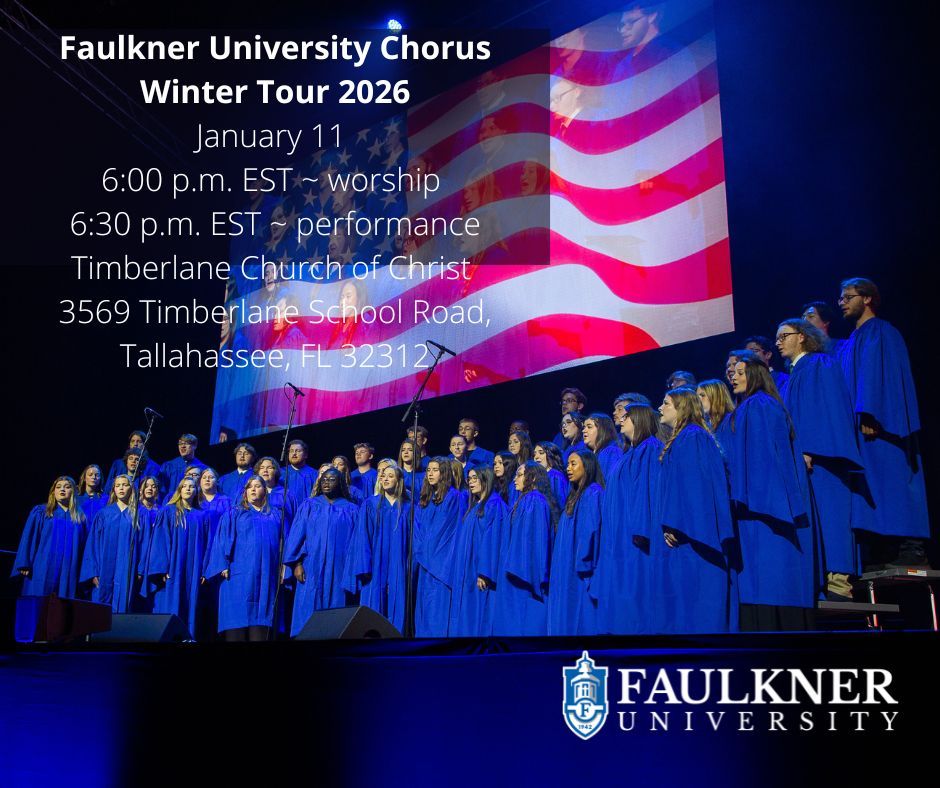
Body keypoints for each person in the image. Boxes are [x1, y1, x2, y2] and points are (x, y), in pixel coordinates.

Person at [838, 278, 930, 567]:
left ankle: (911, 547)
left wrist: (869, 412)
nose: (842, 302)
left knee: (894, 479)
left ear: (867, 298)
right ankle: (884, 548)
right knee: (871, 486)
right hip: (859, 429)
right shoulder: (851, 341)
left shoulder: (881, 332)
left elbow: (882, 375)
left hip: (882, 426)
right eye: (841, 298)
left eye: (848, 297)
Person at [776, 319, 863, 599]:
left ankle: (839, 581)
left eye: (784, 336)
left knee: (831, 516)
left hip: (824, 461)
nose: (778, 342)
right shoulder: (794, 373)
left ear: (802, 336)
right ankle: (818, 581)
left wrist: (809, 448)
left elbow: (825, 410)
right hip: (803, 460)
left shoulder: (819, 364)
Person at [730, 353, 816, 630]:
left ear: (755, 374)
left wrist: (746, 497)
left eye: (741, 372)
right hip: (758, 507)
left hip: (764, 507)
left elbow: (764, 461)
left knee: (769, 578)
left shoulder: (759, 405)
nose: (733, 377)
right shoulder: (756, 405)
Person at [653, 388, 738, 633]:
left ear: (682, 408)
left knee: (701, 607)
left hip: (696, 537)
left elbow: (696, 488)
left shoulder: (693, 437)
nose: (660, 408)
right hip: (684, 535)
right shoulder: (683, 438)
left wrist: (676, 524)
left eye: (666, 403)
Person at [594, 404, 663, 634]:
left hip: (634, 535)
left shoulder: (650, 448)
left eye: (627, 417)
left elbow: (647, 490)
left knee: (635, 590)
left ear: (640, 420)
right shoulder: (629, 453)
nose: (621, 420)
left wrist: (641, 530)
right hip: (619, 533)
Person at [206, 476, 284, 641]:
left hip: (266, 577)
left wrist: (284, 568)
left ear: (265, 491)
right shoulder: (234, 513)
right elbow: (222, 539)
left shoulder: (276, 515)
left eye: (258, 486)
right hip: (238, 577)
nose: (253, 489)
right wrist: (223, 564)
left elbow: (284, 543)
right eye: (250, 487)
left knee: (261, 628)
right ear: (245, 492)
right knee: (237, 626)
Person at [285, 467, 359, 636]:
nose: (326, 482)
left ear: (340, 483)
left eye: (332, 480)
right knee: (308, 605)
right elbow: (297, 536)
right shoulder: (309, 505)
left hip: (340, 568)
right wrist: (297, 564)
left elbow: (356, 544)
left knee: (337, 607)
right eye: (324, 479)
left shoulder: (352, 510)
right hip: (311, 566)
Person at [343, 464, 413, 633]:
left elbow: (414, 542)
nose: (385, 479)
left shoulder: (409, 507)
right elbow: (362, 538)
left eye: (390, 476)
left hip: (399, 565)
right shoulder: (370, 504)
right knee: (373, 602)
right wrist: (364, 566)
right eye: (383, 476)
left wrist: (409, 568)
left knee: (398, 602)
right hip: (374, 566)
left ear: (399, 481)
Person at [492, 462, 556, 636]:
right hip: (515, 570)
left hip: (521, 575)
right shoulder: (526, 499)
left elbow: (532, 541)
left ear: (532, 478)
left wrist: (527, 573)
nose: (515, 479)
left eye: (519, 475)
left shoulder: (534, 500)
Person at [145, 477, 211, 640]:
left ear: (196, 491)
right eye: (184, 486)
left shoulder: (201, 516)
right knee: (170, 605)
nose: (188, 489)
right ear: (179, 490)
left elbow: (208, 545)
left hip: (193, 571)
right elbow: (160, 541)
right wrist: (162, 568)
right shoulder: (168, 512)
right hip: (172, 570)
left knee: (190, 605)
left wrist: (205, 570)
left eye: (192, 487)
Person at [449, 467, 509, 636]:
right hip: (468, 569)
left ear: (486, 479)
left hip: (479, 572)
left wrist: (484, 572)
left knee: (479, 614)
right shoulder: (476, 506)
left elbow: (493, 539)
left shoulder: (494, 505)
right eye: (469, 479)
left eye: (475, 478)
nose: (471, 482)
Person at [548, 450, 602, 635]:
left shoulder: (593, 493)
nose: (568, 468)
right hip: (566, 568)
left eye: (573, 464)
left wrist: (583, 564)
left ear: (587, 466)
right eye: (568, 464)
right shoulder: (574, 497)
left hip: (580, 571)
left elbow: (591, 532)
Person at [11, 476, 88, 599]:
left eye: (67, 487)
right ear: (53, 491)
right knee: (39, 602)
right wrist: (25, 562)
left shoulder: (79, 518)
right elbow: (30, 537)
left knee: (63, 603)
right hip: (43, 566)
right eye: (58, 487)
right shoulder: (42, 512)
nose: (62, 489)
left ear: (73, 492)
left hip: (68, 568)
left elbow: (84, 547)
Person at [80, 474, 147, 613]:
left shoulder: (139, 515)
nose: (121, 488)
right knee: (101, 607)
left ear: (132, 488)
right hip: (103, 570)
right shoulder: (103, 514)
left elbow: (144, 544)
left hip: (128, 569)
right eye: (118, 485)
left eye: (125, 485)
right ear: (114, 490)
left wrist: (140, 570)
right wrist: (93, 571)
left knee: (124, 604)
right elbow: (93, 545)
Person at [413, 458, 463, 637]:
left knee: (437, 608)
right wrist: (420, 548)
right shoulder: (425, 499)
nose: (430, 473)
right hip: (425, 561)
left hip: (441, 565)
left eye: (435, 470)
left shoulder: (454, 497)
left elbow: (444, 529)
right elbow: (417, 528)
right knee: (424, 608)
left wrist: (426, 550)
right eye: (428, 470)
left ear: (444, 473)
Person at [696, 378, 735, 456]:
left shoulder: (730, 422)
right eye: (697, 397)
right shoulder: (704, 425)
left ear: (716, 397)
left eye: (702, 395)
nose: (698, 400)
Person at [582, 413, 618, 479]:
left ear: (602, 429)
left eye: (589, 427)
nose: (583, 431)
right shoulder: (589, 455)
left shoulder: (612, 452)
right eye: (584, 427)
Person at [533, 441, 568, 510]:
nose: (536, 457)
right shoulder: (537, 477)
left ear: (550, 455)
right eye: (534, 454)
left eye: (541, 453)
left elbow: (561, 503)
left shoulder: (555, 476)